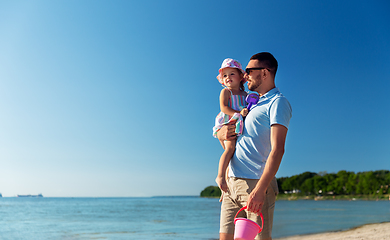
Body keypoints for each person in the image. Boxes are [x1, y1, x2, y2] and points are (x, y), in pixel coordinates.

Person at [216, 52, 292, 240]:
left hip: (254, 185)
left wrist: (260, 190)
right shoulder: (251, 102)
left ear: (264, 73)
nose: (244, 75)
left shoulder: (278, 102)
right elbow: (231, 129)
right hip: (232, 185)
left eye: (249, 71)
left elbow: (278, 149)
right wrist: (221, 133)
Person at [213, 58, 248, 194]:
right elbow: (224, 108)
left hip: (238, 123)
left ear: (241, 76)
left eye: (232, 73)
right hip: (228, 122)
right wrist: (239, 112)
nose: (228, 78)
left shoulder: (246, 95)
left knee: (232, 155)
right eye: (225, 75)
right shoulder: (226, 92)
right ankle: (220, 176)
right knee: (230, 149)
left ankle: (224, 189)